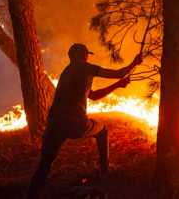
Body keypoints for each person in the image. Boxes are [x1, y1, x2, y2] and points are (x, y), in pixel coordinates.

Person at [25, 43, 143, 199]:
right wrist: (135, 63)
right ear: (84, 55)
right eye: (87, 55)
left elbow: (92, 96)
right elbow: (120, 73)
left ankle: (29, 196)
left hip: (53, 123)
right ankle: (105, 170)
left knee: (44, 164)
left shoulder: (65, 73)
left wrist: (118, 85)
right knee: (102, 131)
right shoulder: (86, 68)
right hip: (76, 124)